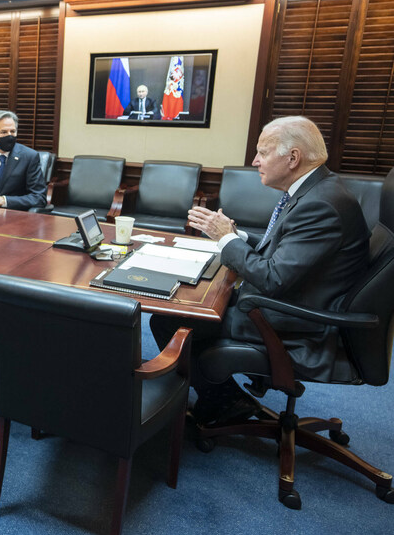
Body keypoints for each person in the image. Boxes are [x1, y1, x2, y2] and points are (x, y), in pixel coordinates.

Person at [150, 115, 370, 425]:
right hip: (294, 303)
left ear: (293, 158)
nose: (254, 161)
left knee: (170, 319)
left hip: (295, 323)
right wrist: (235, 236)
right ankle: (221, 393)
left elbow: (272, 277)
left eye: (263, 152)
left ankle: (223, 401)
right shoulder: (318, 191)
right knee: (188, 306)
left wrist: (226, 239)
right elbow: (284, 251)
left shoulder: (320, 205)